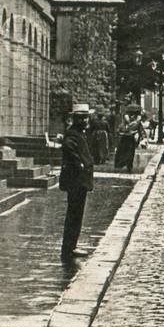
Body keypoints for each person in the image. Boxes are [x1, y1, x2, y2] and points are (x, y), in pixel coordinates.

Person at [59, 108, 94, 262]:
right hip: (76, 181)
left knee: (76, 215)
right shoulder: (73, 134)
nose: (85, 121)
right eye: (82, 118)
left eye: (86, 118)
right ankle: (68, 248)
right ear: (76, 119)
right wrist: (80, 165)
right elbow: (69, 149)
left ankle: (72, 246)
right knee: (74, 215)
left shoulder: (78, 134)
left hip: (79, 181)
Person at [114, 107, 145, 172]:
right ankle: (125, 164)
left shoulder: (135, 120)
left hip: (128, 138)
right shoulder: (133, 120)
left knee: (127, 152)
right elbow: (120, 129)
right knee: (126, 152)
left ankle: (127, 164)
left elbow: (140, 129)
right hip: (127, 138)